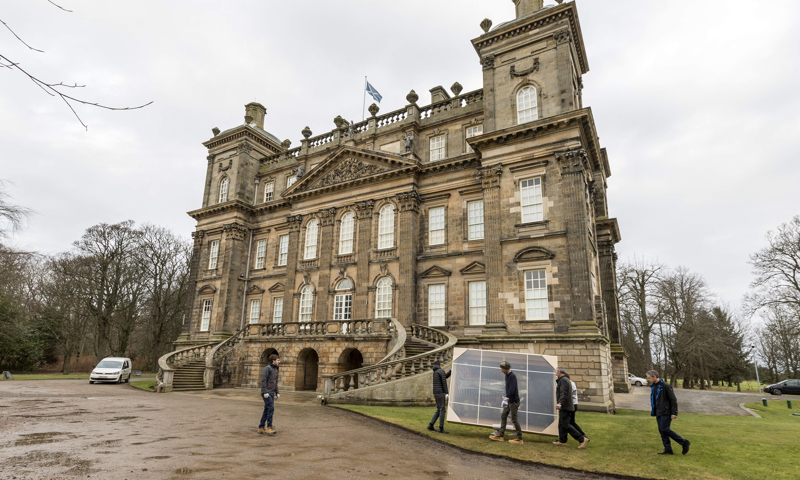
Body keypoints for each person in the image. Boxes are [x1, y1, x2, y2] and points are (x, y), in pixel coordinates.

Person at [647, 370, 690, 455]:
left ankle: (684, 442)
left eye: (649, 378)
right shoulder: (653, 386)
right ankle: (668, 449)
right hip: (658, 411)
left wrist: (674, 412)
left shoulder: (665, 386)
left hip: (666, 411)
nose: (648, 379)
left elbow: (673, 399)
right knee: (662, 431)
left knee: (665, 429)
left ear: (654, 377)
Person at [553, 367, 588, 449]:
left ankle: (582, 439)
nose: (555, 374)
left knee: (566, 425)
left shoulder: (563, 380)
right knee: (561, 424)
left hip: (566, 406)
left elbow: (563, 393)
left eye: (556, 372)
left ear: (559, 372)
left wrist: (560, 403)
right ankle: (562, 440)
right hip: (566, 406)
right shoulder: (565, 380)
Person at [489, 361, 523, 444]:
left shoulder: (512, 376)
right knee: (503, 416)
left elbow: (512, 389)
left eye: (503, 369)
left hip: (514, 402)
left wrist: (506, 397)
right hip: (509, 401)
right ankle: (501, 435)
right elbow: (508, 388)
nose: (501, 370)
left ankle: (519, 438)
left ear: (507, 369)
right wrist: (505, 396)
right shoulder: (507, 376)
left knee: (514, 419)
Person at [258, 353, 280, 435]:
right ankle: (269, 427)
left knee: (267, 410)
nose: (279, 361)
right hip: (266, 392)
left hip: (271, 392)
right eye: (278, 360)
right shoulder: (267, 368)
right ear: (273, 361)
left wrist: (277, 392)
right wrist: (265, 392)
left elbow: (275, 382)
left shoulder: (275, 369)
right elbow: (263, 380)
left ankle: (261, 427)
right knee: (271, 408)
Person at [427, 360, 450, 433]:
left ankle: (431, 425)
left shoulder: (436, 372)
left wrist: (450, 371)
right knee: (442, 410)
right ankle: (441, 428)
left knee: (438, 409)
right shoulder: (441, 371)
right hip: (440, 393)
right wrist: (446, 393)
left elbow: (444, 377)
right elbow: (444, 382)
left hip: (435, 393)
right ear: (440, 365)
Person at [566, 373, 587, 441]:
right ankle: (583, 435)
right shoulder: (573, 383)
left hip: (572, 405)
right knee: (572, 422)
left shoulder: (570, 384)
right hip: (574, 404)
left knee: (568, 423)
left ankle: (582, 437)